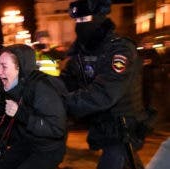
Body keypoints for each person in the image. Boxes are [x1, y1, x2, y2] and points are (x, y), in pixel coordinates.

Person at [60, 0, 149, 169]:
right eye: (77, 21)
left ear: (99, 18)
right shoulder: (81, 51)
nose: (79, 26)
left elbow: (105, 93)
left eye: (85, 19)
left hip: (123, 128)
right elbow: (67, 80)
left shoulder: (120, 49)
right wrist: (42, 88)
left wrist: (65, 101)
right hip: (104, 126)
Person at [0, 44, 67, 169]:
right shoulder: (16, 86)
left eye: (4, 66)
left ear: (20, 68)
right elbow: (8, 120)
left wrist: (20, 113)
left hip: (48, 149)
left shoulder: (42, 89)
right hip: (29, 142)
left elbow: (56, 129)